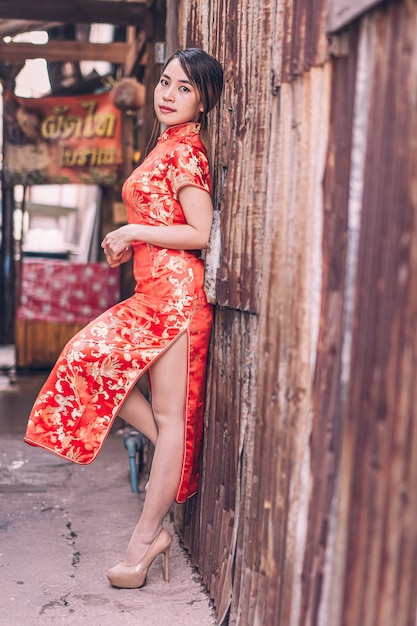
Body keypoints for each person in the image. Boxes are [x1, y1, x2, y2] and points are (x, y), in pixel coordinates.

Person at [24, 47, 224, 589]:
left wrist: (133, 233)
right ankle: (172, 460)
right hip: (152, 289)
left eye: (184, 88)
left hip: (177, 298)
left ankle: (144, 540)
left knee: (164, 413)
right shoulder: (163, 146)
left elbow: (201, 233)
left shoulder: (188, 153)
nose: (167, 94)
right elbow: (165, 220)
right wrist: (129, 244)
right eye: (164, 82)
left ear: (203, 102)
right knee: (87, 362)